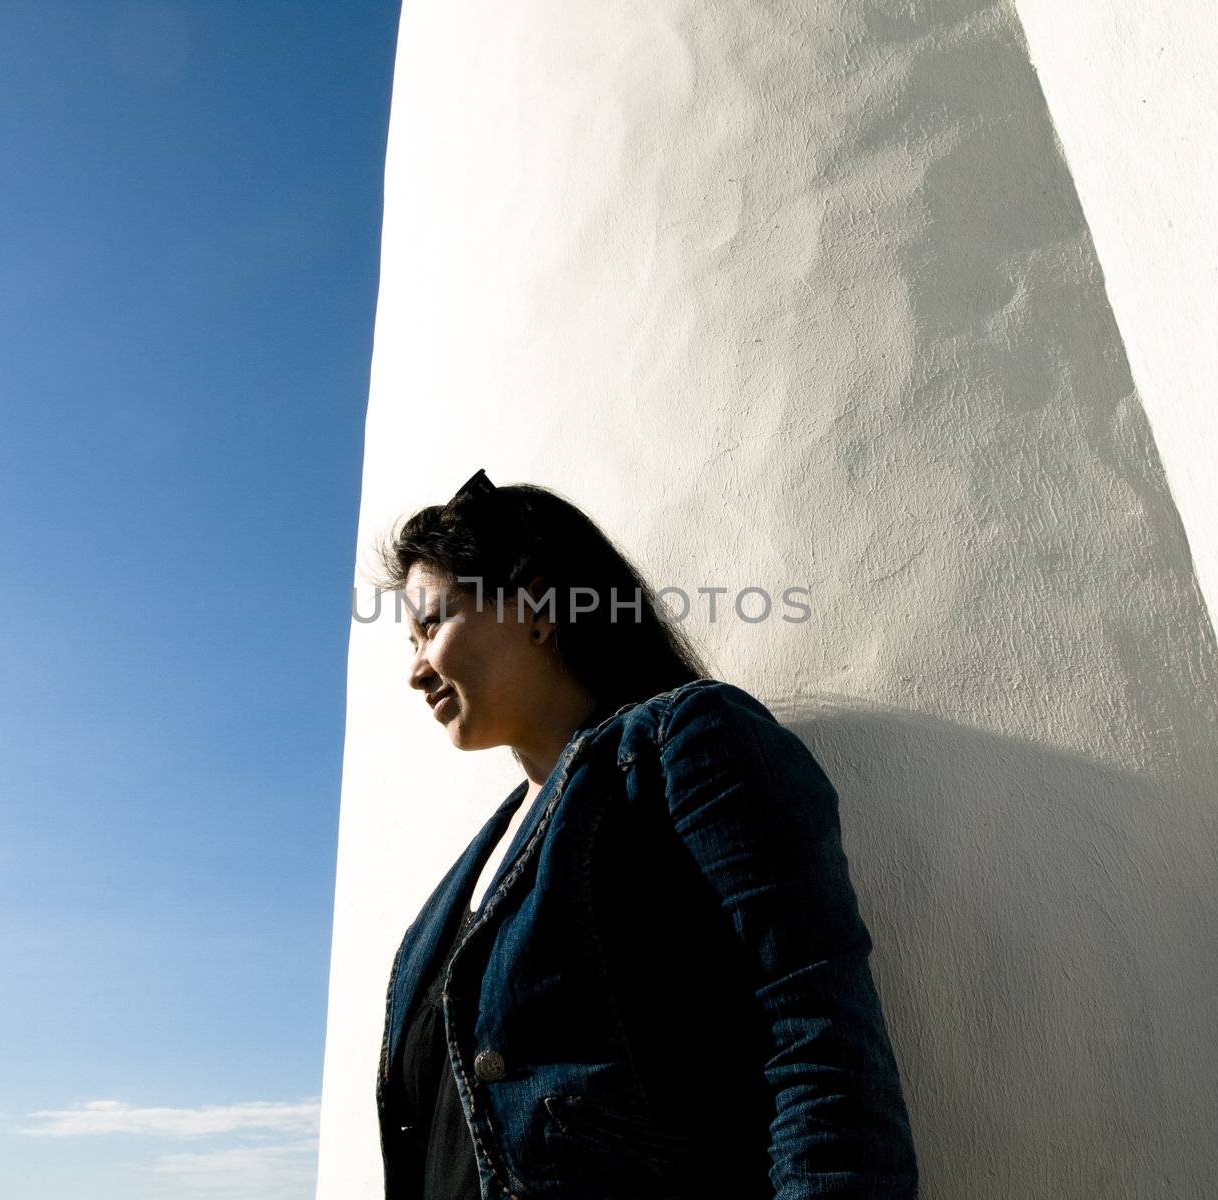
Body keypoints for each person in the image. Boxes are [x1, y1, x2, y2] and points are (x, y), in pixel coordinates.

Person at [369, 469, 918, 1200]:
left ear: (536, 605)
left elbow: (818, 1040)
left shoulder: (683, 747)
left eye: (432, 625)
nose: (414, 670)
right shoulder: (449, 897)